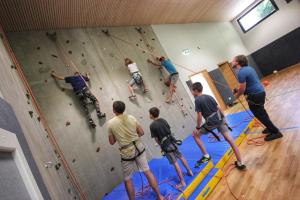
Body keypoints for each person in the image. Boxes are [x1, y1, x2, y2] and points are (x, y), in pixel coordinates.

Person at [107, 101, 164, 200]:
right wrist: (132, 137)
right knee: (147, 171)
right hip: (138, 147)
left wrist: (119, 136)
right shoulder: (131, 118)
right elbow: (141, 132)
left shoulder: (111, 123)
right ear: (123, 109)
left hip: (126, 152)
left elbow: (111, 142)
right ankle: (160, 196)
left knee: (128, 179)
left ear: (114, 110)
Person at [191, 82, 246, 170]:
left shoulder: (197, 100)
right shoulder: (209, 96)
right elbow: (219, 108)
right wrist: (225, 119)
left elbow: (199, 116)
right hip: (220, 119)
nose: (192, 93)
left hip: (211, 123)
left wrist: (197, 128)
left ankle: (206, 155)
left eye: (192, 91)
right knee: (230, 140)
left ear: (196, 90)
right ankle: (240, 162)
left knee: (195, 135)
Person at [232, 55, 283, 141]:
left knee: (260, 115)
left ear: (237, 62)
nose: (232, 62)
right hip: (260, 93)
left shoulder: (241, 73)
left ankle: (276, 132)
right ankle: (269, 128)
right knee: (262, 112)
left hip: (254, 96)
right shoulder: (249, 68)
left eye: (233, 60)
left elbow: (243, 88)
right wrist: (238, 89)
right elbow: (249, 83)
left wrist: (236, 96)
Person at [149, 107, 193, 189]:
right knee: (180, 156)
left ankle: (182, 182)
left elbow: (156, 138)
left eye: (149, 114)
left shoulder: (152, 125)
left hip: (166, 145)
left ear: (151, 115)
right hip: (172, 141)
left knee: (174, 162)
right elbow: (169, 130)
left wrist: (161, 146)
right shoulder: (163, 120)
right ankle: (189, 171)